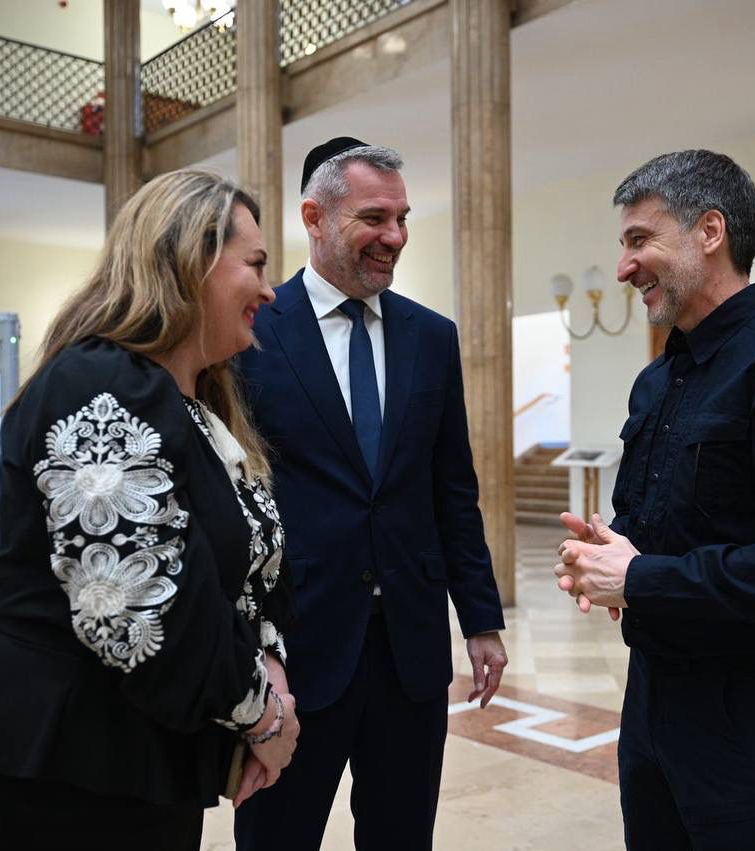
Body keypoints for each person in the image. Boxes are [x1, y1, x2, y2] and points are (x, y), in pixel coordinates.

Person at [0, 169, 300, 849]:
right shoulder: (101, 382)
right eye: (254, 264)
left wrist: (271, 670)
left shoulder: (195, 404)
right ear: (192, 258)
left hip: (133, 751)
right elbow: (130, 607)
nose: (269, 289)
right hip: (64, 758)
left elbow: (245, 568)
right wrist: (262, 717)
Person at [554, 149, 755, 849]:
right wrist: (608, 555)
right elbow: (664, 525)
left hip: (749, 710)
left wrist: (640, 577)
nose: (624, 266)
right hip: (651, 695)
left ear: (710, 231)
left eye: (640, 239)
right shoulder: (658, 380)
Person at [233, 138, 508, 850]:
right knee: (276, 838)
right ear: (315, 218)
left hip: (409, 650)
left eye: (402, 218)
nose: (396, 237)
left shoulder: (432, 337)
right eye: (375, 218)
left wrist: (481, 618)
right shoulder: (253, 331)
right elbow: (237, 496)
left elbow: (452, 489)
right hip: (299, 647)